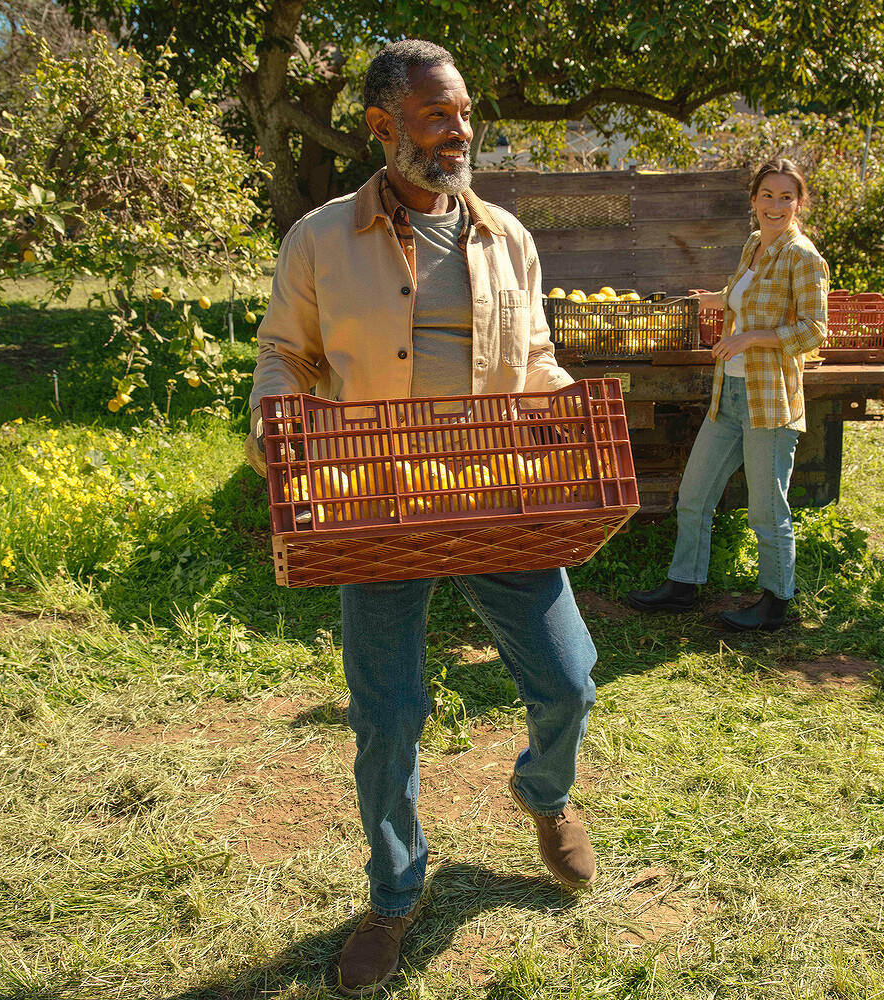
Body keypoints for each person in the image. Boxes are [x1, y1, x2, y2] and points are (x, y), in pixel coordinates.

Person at [243, 39, 598, 996]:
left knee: (568, 681)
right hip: (378, 502)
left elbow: (533, 361)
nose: (459, 131)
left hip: (493, 495)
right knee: (388, 714)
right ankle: (394, 893)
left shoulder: (506, 238)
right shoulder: (320, 237)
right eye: (438, 114)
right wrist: (274, 415)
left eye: (464, 112)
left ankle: (545, 793)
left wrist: (565, 413)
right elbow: (287, 352)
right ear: (381, 125)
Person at [626, 158, 829, 632]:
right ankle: (683, 586)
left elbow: (815, 330)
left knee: (766, 508)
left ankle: (775, 603)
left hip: (770, 399)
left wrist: (751, 337)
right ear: (753, 199)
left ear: (799, 203)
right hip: (729, 395)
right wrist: (709, 300)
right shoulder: (756, 244)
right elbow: (741, 296)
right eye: (767, 195)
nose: (775, 205)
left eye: (786, 197)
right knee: (694, 494)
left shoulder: (803, 257)